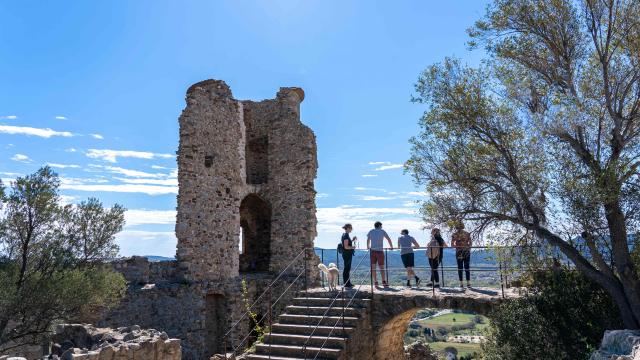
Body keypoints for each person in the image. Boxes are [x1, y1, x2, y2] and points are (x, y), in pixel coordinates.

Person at [367, 221, 394, 287]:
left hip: (372, 251)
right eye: (381, 226)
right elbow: (388, 239)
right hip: (379, 251)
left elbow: (368, 239)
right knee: (381, 267)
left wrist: (368, 247)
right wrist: (391, 246)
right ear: (379, 225)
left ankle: (375, 282)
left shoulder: (371, 231)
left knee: (373, 267)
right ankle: (383, 281)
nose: (381, 227)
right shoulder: (382, 231)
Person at [451, 221, 472, 289]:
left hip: (459, 252)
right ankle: (468, 283)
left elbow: (452, 245)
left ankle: (461, 284)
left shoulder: (454, 234)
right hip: (466, 251)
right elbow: (470, 243)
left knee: (460, 268)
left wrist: (457, 246)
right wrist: (468, 248)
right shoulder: (467, 234)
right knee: (467, 267)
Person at [341, 223, 356, 288]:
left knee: (347, 268)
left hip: (346, 254)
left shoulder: (345, 235)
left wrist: (352, 240)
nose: (351, 229)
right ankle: (347, 284)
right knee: (347, 269)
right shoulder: (346, 235)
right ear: (347, 228)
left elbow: (346, 244)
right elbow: (346, 246)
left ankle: (347, 283)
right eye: (351, 228)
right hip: (347, 254)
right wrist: (353, 247)